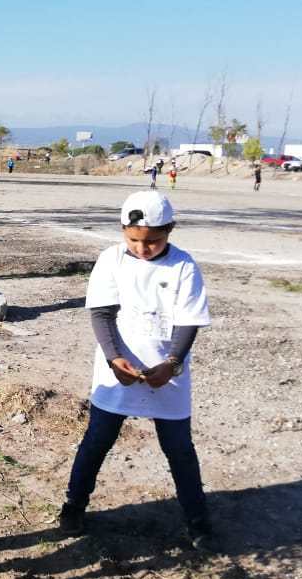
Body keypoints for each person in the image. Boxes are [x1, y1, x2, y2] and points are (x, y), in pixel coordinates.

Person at [59, 191, 214, 551]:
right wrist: (114, 358)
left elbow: (189, 322)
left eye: (153, 241)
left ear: (170, 231)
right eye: (134, 240)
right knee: (97, 440)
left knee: (179, 449)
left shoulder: (184, 266)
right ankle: (73, 506)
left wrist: (172, 362)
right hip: (118, 370)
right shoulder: (110, 260)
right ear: (122, 231)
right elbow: (101, 314)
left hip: (167, 373)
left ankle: (198, 521)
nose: (143, 248)